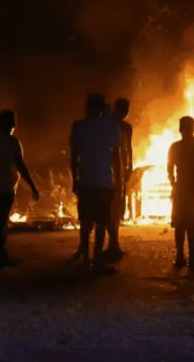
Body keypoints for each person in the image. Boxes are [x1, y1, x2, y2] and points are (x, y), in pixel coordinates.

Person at [70, 93, 123, 274]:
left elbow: (74, 156)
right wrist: (118, 180)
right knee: (101, 222)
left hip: (86, 180)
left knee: (85, 223)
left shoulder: (79, 126)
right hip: (103, 181)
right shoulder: (111, 126)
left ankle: (86, 260)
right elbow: (116, 156)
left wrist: (74, 179)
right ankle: (97, 261)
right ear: (102, 108)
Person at [0, 110, 40, 269]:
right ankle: (0, 256)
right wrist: (33, 186)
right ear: (11, 124)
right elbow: (21, 166)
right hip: (4, 187)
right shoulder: (13, 142)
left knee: (0, 219)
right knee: (1, 221)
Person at [167, 116, 194, 268]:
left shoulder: (175, 147)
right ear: (193, 128)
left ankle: (180, 257)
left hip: (181, 188)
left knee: (180, 223)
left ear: (180, 129)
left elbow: (170, 168)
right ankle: (192, 256)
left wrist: (173, 184)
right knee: (192, 223)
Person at [106, 97, 133, 259]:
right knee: (111, 208)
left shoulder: (127, 127)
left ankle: (114, 243)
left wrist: (130, 166)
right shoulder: (108, 125)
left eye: (127, 109)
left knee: (118, 208)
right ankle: (112, 243)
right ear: (117, 109)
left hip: (121, 170)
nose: (126, 112)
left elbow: (129, 148)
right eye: (124, 109)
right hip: (109, 170)